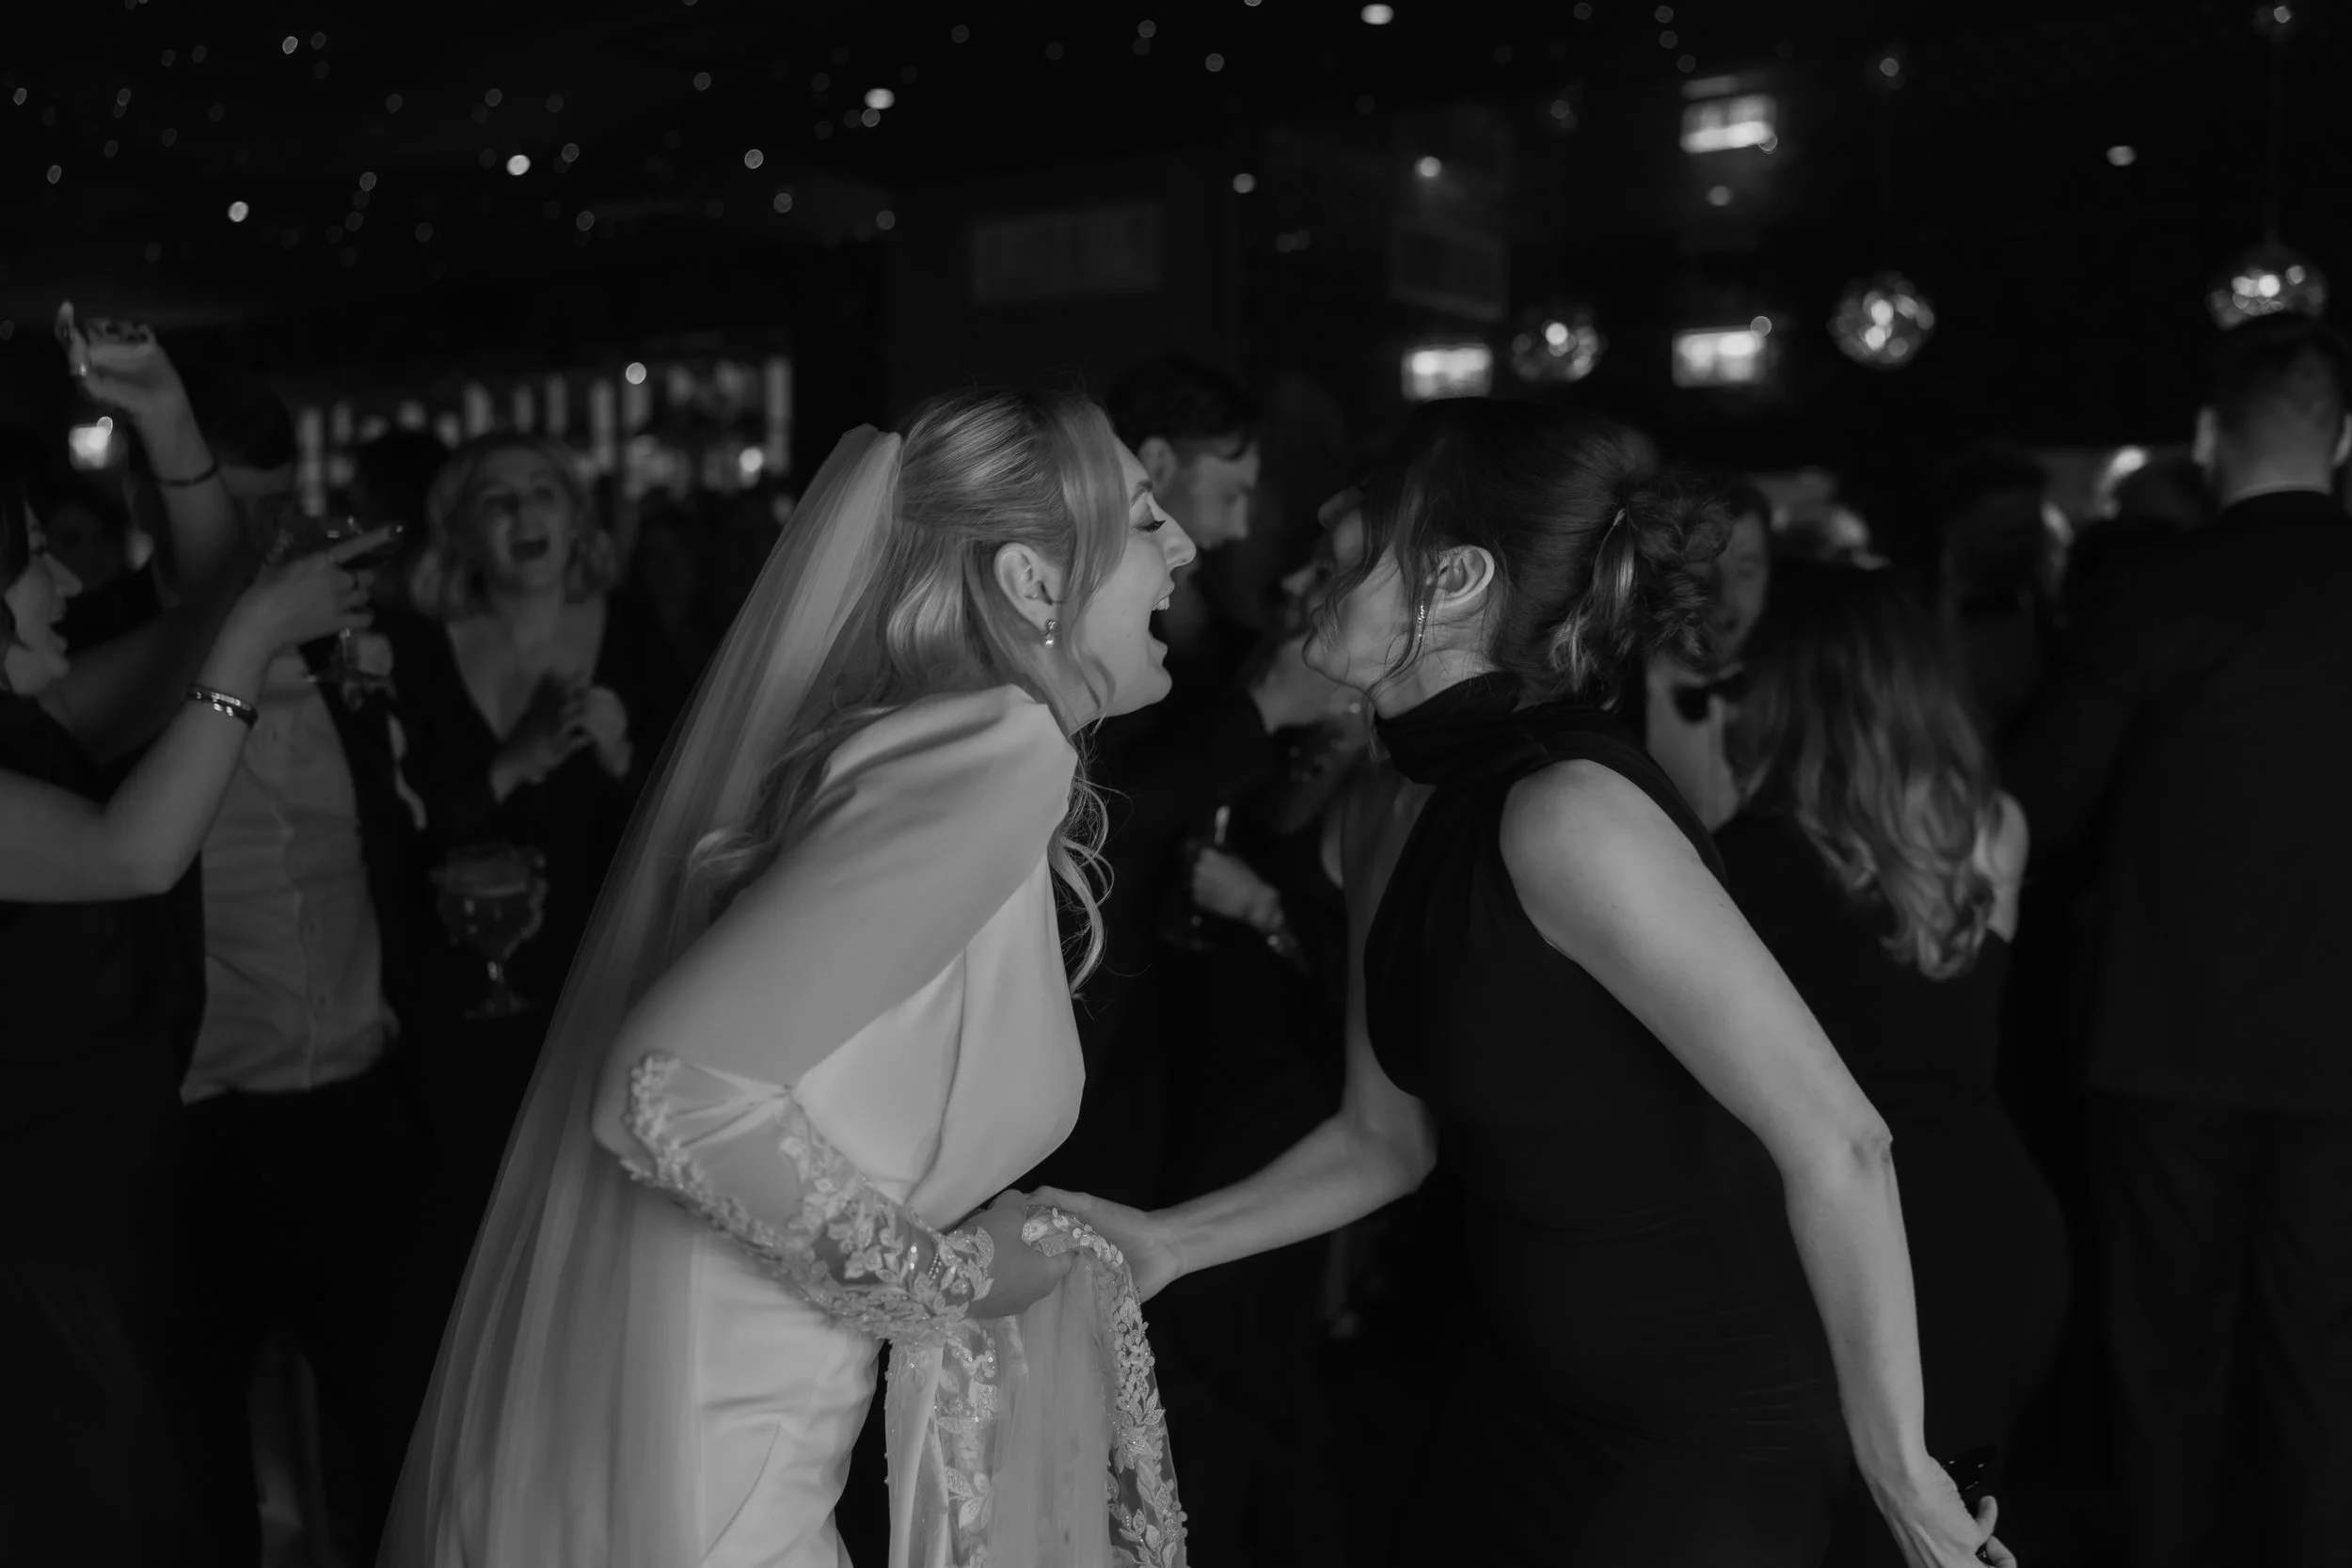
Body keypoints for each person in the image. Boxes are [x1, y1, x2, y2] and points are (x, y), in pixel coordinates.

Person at [1041, 399, 2012, 1567]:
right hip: (1517, 1393)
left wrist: (1904, 1474)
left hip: (1710, 1415)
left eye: (1347, 551)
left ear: (1451, 578)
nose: (1306, 572)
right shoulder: (1389, 802)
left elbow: (1840, 1139)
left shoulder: (1567, 810)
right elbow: (1381, 1136)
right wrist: (1167, 1243)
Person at [383, 389, 1198, 1568]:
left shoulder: (936, 739)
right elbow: (665, 1087)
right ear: (1030, 583)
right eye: (1146, 516)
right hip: (720, 1444)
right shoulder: (993, 749)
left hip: (721, 1404)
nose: (1182, 548)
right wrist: (958, 1280)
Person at [1, 326, 379, 1566]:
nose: (64, 581)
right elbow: (131, 852)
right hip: (39, 1245)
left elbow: (217, 604)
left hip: (131, 1199)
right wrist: (251, 629)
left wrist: (166, 416)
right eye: (34, 562)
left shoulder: (40, 715)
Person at [2004, 313, 2352, 1568]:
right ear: (2347, 436)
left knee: (2167, 1358)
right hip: (2341, 1050)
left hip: (2166, 1040)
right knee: (2325, 1357)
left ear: (2209, 438)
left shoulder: (2158, 593)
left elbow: (2031, 807)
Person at [1716, 559, 2070, 1566]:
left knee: (1846, 1524)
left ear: (1781, 689)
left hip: (1842, 1237)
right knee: (1961, 1521)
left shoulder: (1730, 864)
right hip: (1995, 1227)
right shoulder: (1989, 827)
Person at [167, 370, 445, 1568]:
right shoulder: (115, 646)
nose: (263, 536)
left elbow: (414, 829)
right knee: (204, 1461)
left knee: (400, 1438)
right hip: (196, 1115)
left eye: (278, 503)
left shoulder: (366, 641)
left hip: (360, 1102)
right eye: (235, 505)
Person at [383, 435, 689, 1219]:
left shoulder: (629, 628)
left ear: (575, 516)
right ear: (458, 530)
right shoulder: (414, 648)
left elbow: (698, 808)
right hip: (459, 986)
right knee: (476, 1193)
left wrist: (624, 752)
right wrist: (508, 765)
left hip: (608, 965)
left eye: (541, 492)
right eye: (496, 499)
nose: (522, 511)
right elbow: (389, 822)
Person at [1632, 477, 1772, 828]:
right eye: (1700, 573)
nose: (1723, 599)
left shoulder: (1791, 695)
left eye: (1745, 572)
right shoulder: (1615, 697)